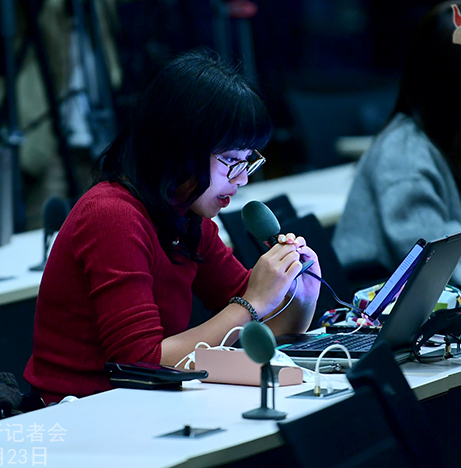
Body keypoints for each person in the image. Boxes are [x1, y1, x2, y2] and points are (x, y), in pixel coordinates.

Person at [24, 49, 321, 404]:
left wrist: (302, 293)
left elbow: (259, 336)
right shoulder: (112, 215)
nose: (241, 179)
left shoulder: (186, 215)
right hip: (79, 412)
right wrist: (252, 302)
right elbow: (141, 363)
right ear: (179, 146)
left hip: (143, 404)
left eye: (248, 161)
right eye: (231, 160)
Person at [332, 0, 461, 288]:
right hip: (376, 302)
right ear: (449, 87)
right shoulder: (404, 157)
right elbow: (441, 261)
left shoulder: (443, 143)